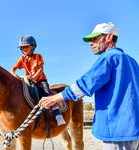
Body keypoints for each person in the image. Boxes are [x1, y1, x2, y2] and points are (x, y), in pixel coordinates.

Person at [39, 22, 139, 150]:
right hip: (135, 129)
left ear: (109, 37)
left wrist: (53, 98)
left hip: (116, 131)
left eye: (95, 38)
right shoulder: (132, 62)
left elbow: (86, 84)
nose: (91, 43)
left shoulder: (108, 58)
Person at [11, 35, 65, 125]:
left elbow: (40, 69)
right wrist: (14, 74)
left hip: (40, 80)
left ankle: (57, 113)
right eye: (22, 47)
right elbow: (13, 68)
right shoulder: (22, 59)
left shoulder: (38, 56)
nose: (24, 49)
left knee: (47, 93)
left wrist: (34, 76)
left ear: (33, 46)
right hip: (29, 81)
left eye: (26, 46)